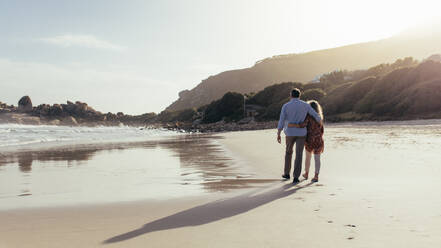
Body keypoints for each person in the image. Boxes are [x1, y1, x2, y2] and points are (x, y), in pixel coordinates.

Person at [277, 89, 322, 184]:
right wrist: (319, 123)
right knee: (299, 155)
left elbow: (281, 120)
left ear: (291, 95)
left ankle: (286, 174)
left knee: (288, 152)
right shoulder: (305, 105)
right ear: (299, 95)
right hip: (302, 133)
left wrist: (279, 132)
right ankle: (296, 177)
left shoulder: (286, 106)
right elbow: (316, 115)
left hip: (289, 133)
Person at [289, 100, 324, 182]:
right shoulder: (319, 117)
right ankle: (316, 176)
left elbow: (302, 125)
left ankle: (306, 173)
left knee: (308, 158)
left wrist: (293, 125)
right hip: (319, 139)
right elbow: (322, 129)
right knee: (317, 158)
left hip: (310, 139)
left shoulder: (308, 116)